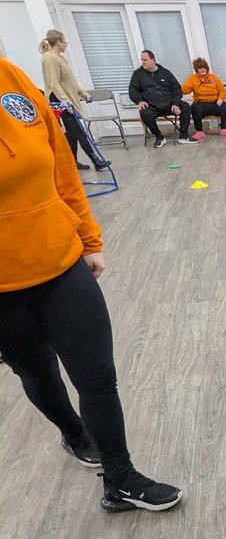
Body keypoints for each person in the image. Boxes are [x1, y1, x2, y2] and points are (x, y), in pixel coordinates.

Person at [0, 55, 183, 513]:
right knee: (37, 372)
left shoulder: (12, 77)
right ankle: (74, 433)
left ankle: (119, 479)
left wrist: (87, 235)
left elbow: (62, 166)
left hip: (61, 263)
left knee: (98, 377)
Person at [39, 29, 110, 172]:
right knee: (78, 130)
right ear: (58, 42)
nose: (66, 44)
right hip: (59, 99)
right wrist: (66, 102)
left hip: (66, 98)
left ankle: (73, 162)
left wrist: (83, 94)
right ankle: (96, 161)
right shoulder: (50, 58)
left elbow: (70, 81)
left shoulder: (59, 57)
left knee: (71, 133)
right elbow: (54, 83)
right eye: (64, 41)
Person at [129, 50, 197, 147]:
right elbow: (132, 90)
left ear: (153, 60)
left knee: (185, 106)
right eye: (142, 60)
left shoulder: (165, 72)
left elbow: (177, 89)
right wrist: (139, 101)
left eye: (145, 60)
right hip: (151, 106)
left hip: (169, 104)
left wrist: (176, 104)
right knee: (144, 112)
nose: (142, 62)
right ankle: (159, 137)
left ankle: (183, 136)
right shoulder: (137, 74)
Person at [181, 57, 226, 140]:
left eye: (204, 68)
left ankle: (224, 129)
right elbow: (185, 90)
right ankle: (199, 131)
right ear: (196, 70)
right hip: (201, 104)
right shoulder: (192, 79)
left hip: (214, 103)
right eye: (200, 68)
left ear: (207, 68)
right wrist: (176, 89)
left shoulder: (214, 78)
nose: (202, 70)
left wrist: (220, 99)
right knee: (194, 108)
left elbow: (222, 91)